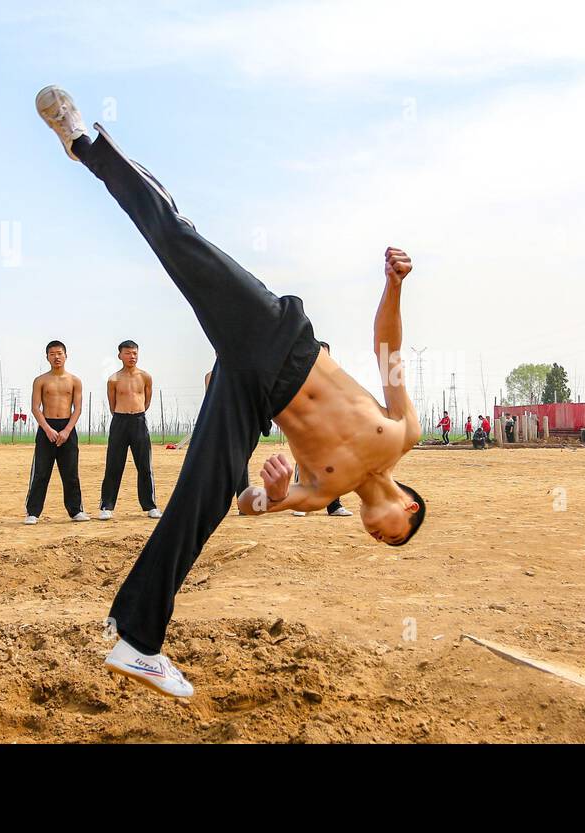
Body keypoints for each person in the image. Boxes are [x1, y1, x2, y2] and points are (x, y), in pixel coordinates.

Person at [36, 86, 426, 698]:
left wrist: (267, 493)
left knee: (210, 492)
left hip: (250, 394)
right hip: (279, 339)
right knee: (177, 239)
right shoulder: (404, 433)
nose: (379, 539)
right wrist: (395, 285)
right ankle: (84, 142)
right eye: (392, 536)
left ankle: (137, 639)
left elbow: (251, 505)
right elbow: (389, 353)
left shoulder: (322, 489)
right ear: (407, 509)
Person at [24, 340, 89, 523]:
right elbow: (35, 407)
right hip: (47, 428)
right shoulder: (41, 380)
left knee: (70, 473)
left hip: (67, 428)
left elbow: (77, 408)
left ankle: (76, 510)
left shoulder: (75, 381)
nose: (56, 357)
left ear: (66, 356)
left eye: (59, 353)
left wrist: (67, 430)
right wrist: (47, 429)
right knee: (41, 473)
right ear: (47, 357)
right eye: (52, 354)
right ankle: (33, 512)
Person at [98, 340, 161, 520]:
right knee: (113, 465)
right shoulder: (113, 379)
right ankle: (106, 506)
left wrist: (137, 412)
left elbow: (147, 401)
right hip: (119, 421)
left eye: (134, 353)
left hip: (139, 421)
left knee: (144, 465)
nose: (131, 356)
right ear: (120, 355)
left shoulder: (145, 377)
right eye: (127, 353)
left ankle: (150, 505)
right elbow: (112, 404)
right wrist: (123, 414)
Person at [290, 342, 353, 517]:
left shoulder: (336, 378)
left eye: (326, 355)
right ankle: (300, 503)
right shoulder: (302, 375)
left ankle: (334, 506)